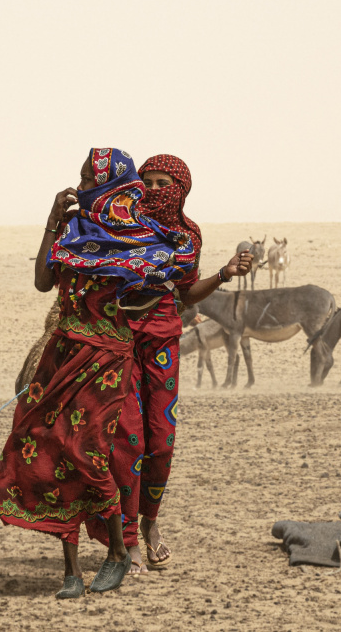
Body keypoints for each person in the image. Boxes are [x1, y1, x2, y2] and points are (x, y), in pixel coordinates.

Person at [0, 148, 195, 599]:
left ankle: (120, 549)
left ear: (108, 185)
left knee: (96, 454)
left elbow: (159, 292)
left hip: (107, 361)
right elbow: (44, 282)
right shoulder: (72, 229)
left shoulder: (145, 239)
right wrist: (52, 220)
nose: (80, 188)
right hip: (62, 356)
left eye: (87, 181)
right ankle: (71, 571)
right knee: (51, 448)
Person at [85, 154, 252, 574]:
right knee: (129, 442)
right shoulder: (122, 223)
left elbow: (186, 294)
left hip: (162, 341)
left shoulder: (189, 235)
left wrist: (224, 274)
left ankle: (150, 523)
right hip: (120, 340)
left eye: (164, 183)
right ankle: (126, 543)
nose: (156, 190)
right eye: (149, 182)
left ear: (181, 189)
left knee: (162, 442)